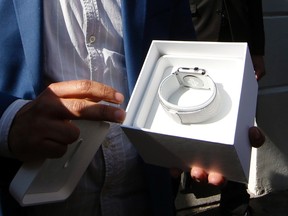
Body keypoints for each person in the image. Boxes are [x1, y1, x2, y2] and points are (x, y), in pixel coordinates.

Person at [0, 1, 264, 216]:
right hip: (32, 197)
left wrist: (207, 135)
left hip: (145, 196)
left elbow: (180, 50)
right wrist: (8, 121)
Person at [183, 0, 266, 215]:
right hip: (195, 31)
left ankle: (236, 205)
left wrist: (257, 49)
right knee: (186, 118)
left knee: (240, 126)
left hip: (238, 37)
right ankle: (169, 196)